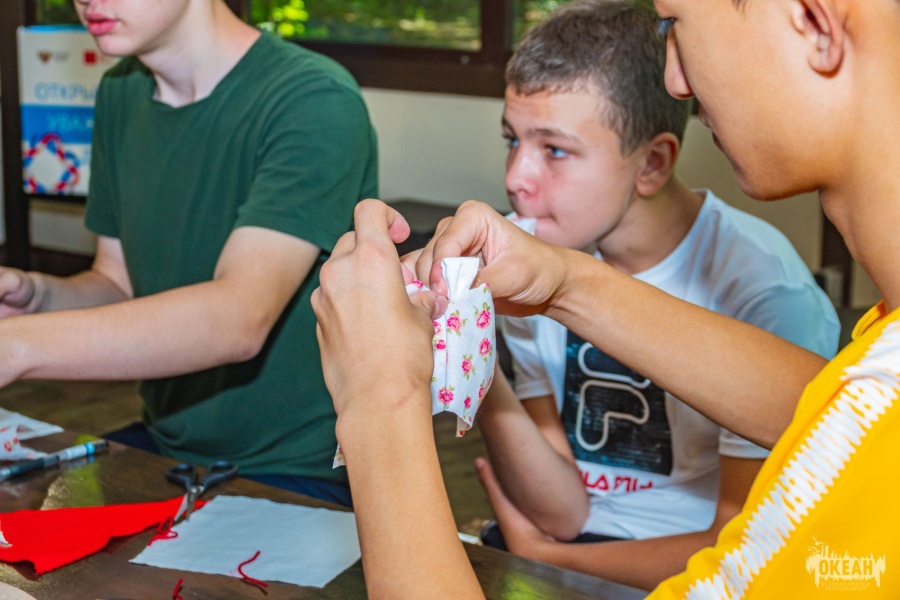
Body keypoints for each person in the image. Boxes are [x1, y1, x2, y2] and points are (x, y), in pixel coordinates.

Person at [312, 0, 900, 595]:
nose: (675, 80)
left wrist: (381, 395)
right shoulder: (877, 373)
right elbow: (822, 406)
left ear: (814, 22)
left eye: (676, 25)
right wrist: (563, 284)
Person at [473, 0, 838, 590]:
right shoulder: (531, 267)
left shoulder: (764, 289)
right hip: (561, 544)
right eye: (512, 140)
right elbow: (562, 512)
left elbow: (746, 544)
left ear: (652, 164)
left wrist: (547, 557)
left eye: (555, 149)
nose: (516, 177)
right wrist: (471, 356)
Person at [0, 0, 377, 506]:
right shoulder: (120, 90)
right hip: (169, 446)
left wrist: (20, 346)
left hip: (300, 469)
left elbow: (239, 317)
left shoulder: (315, 100)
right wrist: (38, 298)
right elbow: (118, 283)